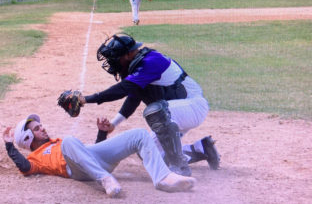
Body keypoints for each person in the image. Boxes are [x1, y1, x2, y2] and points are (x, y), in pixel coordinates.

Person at [78, 33, 220, 177]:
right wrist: (113, 124)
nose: (112, 62)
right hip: (178, 110)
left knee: (155, 111)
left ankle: (180, 167)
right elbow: (133, 97)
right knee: (148, 152)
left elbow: (123, 89)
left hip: (193, 107)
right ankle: (201, 149)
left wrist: (86, 99)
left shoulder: (151, 61)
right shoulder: (138, 66)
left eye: (115, 58)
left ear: (128, 54)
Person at [3, 114, 196, 198]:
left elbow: (87, 156)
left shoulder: (58, 142)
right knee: (70, 142)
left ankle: (162, 177)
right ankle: (105, 180)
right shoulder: (34, 158)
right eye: (37, 129)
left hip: (92, 162)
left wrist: (102, 134)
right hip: (77, 171)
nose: (42, 127)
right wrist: (9, 145)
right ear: (28, 138)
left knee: (139, 134)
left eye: (39, 125)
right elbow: (25, 168)